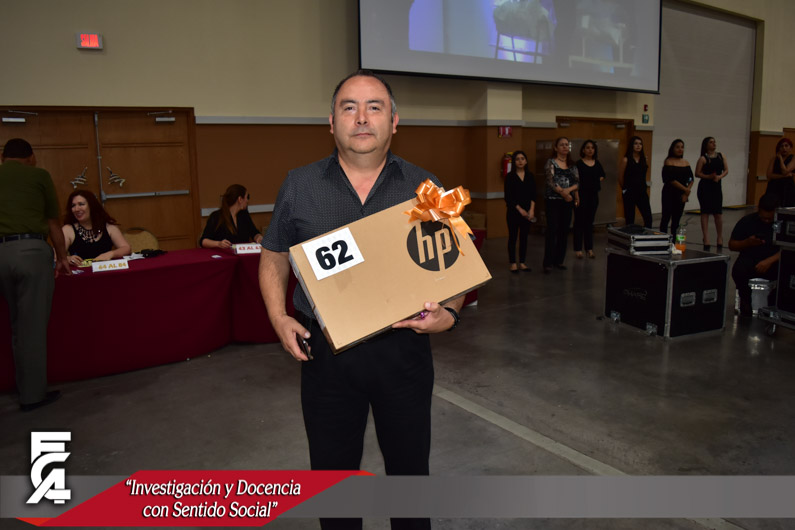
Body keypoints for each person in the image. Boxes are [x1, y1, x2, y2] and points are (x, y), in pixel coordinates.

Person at [258, 70, 463, 530]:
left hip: (404, 351)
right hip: (327, 356)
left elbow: (457, 262)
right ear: (331, 122)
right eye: (349, 107)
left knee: (410, 482)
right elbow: (274, 253)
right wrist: (277, 315)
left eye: (375, 107)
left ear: (395, 120)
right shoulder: (299, 185)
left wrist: (449, 312)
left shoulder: (426, 186)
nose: (362, 118)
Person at [0, 138, 70, 411]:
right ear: (30, 157)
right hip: (30, 252)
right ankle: (31, 396)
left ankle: (18, 385)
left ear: (3, 158)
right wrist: (61, 257)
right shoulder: (39, 176)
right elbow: (53, 222)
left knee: (14, 325)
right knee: (30, 328)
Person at [729, 194, 780, 317]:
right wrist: (747, 242)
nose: (766, 221)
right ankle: (745, 300)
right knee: (738, 270)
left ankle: (774, 303)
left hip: (774, 261)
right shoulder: (747, 221)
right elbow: (732, 245)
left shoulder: (782, 224)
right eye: (764, 218)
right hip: (751, 259)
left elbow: (790, 249)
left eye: (770, 218)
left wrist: (769, 261)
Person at [62, 190, 131, 265]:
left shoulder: (109, 227)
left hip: (105, 270)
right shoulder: (67, 229)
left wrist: (110, 254)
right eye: (73, 206)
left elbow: (126, 248)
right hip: (80, 271)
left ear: (91, 206)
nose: (76, 209)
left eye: (81, 204)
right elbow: (56, 256)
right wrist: (67, 258)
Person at [542, 136, 579, 273]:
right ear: (556, 148)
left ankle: (559, 260)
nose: (565, 147)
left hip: (567, 201)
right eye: (562, 145)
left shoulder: (572, 164)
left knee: (564, 231)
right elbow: (550, 181)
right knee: (552, 230)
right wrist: (563, 193)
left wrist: (569, 192)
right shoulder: (551, 162)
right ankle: (548, 262)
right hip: (553, 200)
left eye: (566, 145)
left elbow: (577, 182)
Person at [199, 184, 263, 249]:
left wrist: (258, 237)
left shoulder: (244, 215)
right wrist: (218, 244)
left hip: (242, 253)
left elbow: (254, 232)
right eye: (247, 197)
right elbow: (203, 241)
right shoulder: (216, 216)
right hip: (222, 253)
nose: (247, 200)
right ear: (240, 199)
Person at [503, 150, 536, 272]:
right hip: (513, 212)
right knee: (513, 237)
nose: (520, 161)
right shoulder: (510, 177)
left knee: (524, 238)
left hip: (527, 212)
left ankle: (522, 262)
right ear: (514, 162)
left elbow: (533, 195)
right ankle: (513, 263)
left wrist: (531, 210)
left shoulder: (530, 176)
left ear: (526, 161)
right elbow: (508, 197)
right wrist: (520, 209)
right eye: (517, 159)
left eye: (522, 159)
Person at [573, 139, 605, 259]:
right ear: (583, 150)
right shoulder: (578, 164)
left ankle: (589, 248)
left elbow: (602, 175)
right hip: (581, 196)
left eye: (592, 148)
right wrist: (576, 196)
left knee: (589, 222)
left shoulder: (597, 163)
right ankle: (578, 249)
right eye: (587, 147)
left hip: (593, 196)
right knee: (579, 222)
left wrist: (594, 181)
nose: (590, 150)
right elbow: (575, 181)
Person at [695, 136, 728, 250]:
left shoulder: (721, 156)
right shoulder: (703, 158)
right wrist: (708, 176)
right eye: (711, 142)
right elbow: (697, 173)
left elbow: (726, 170)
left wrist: (719, 176)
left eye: (714, 142)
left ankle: (719, 237)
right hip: (705, 188)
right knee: (705, 212)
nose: (714, 144)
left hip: (716, 187)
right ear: (706, 145)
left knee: (718, 213)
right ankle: (706, 238)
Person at [659, 139, 694, 236]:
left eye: (682, 147)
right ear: (672, 148)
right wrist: (685, 189)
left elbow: (691, 178)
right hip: (669, 193)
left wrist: (686, 192)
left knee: (676, 219)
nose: (680, 149)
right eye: (677, 147)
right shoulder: (668, 161)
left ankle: (674, 240)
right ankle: (663, 239)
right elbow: (671, 179)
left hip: (682, 194)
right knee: (666, 217)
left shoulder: (686, 162)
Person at [618, 135, 652, 228]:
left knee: (648, 217)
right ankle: (630, 235)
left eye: (640, 144)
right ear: (631, 145)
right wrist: (625, 189)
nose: (638, 146)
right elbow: (620, 177)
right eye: (636, 143)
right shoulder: (626, 159)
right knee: (630, 218)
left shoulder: (644, 159)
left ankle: (647, 234)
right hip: (629, 192)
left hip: (642, 191)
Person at [764, 137, 794, 208]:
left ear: (790, 148)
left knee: (787, 208)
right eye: (782, 146)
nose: (784, 148)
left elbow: (785, 171)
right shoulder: (774, 159)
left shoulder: (793, 158)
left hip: (787, 188)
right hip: (774, 187)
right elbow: (769, 175)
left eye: (786, 146)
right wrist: (783, 176)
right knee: (770, 206)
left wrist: (780, 159)